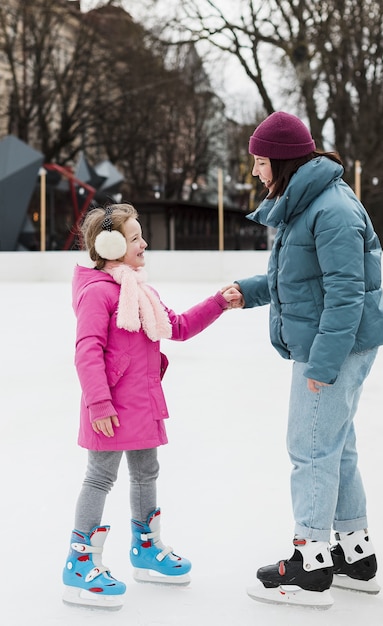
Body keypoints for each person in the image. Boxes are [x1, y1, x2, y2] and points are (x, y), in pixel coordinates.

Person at [224, 112, 383, 609]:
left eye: (259, 162)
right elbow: (303, 275)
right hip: (336, 340)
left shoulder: (331, 208)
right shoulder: (308, 201)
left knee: (311, 449)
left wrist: (322, 364)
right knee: (336, 448)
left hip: (334, 344)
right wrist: (250, 292)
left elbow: (346, 292)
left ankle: (310, 563)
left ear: (282, 160)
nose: (255, 172)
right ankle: (354, 556)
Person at [62, 202, 240, 610]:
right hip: (108, 406)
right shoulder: (97, 294)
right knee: (99, 479)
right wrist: (99, 404)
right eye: (135, 237)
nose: (145, 242)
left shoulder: (141, 291)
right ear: (109, 245)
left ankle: (145, 548)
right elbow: (86, 351)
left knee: (146, 474)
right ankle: (79, 560)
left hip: (141, 401)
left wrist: (217, 303)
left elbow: (176, 327)